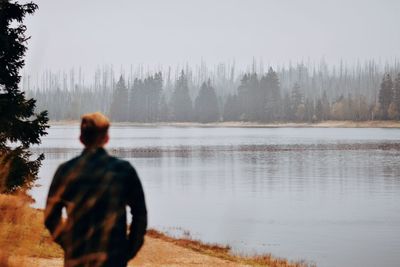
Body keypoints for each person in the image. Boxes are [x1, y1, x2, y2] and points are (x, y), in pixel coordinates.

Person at [45, 112, 147, 267]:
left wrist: (68, 244)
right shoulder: (124, 170)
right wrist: (128, 250)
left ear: (81, 138)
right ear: (106, 138)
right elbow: (140, 214)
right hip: (114, 257)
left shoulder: (66, 170)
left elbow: (51, 216)